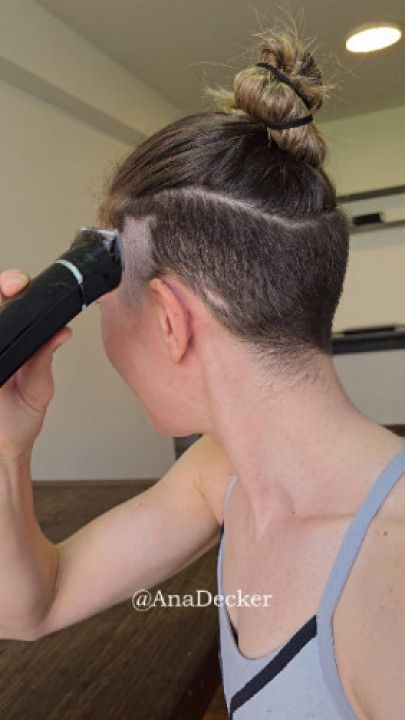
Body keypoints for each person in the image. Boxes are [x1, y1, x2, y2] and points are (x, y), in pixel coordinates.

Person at [0, 26, 404, 720]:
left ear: (169, 319)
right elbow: (30, 607)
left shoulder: (390, 590)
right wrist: (7, 445)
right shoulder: (222, 475)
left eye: (105, 299)